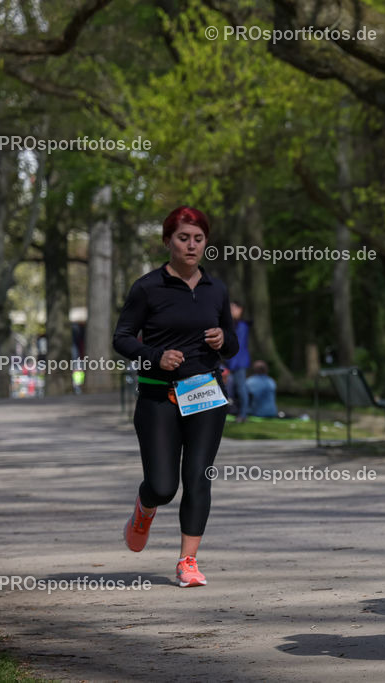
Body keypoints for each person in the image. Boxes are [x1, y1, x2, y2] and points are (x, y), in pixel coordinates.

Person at [113, 206, 239, 588]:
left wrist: (222, 339)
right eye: (183, 238)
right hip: (157, 397)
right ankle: (145, 506)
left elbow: (232, 345)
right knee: (164, 486)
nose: (191, 245)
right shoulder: (148, 287)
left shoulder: (216, 289)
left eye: (198, 239)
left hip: (204, 393)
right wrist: (155, 356)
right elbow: (121, 338)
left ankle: (188, 561)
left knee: (199, 477)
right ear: (168, 240)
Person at [225, 301, 251, 422]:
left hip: (238, 362)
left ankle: (243, 414)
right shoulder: (234, 325)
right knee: (233, 387)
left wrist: (231, 364)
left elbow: (238, 346)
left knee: (241, 388)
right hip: (233, 361)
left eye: (233, 308)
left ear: (240, 309)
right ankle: (236, 411)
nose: (231, 311)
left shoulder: (242, 326)